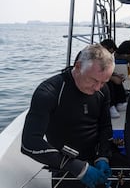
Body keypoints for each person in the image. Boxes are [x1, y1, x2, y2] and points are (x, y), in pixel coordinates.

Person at [21, 44, 115, 188]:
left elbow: (105, 126)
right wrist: (76, 167)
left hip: (97, 160)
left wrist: (103, 156)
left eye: (103, 82)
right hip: (64, 163)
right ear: (78, 66)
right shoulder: (49, 91)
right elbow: (29, 143)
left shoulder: (103, 90)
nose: (97, 88)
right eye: (94, 80)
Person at [100, 39, 128, 118]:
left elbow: (105, 69)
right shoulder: (94, 55)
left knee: (116, 79)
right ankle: (110, 106)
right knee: (109, 82)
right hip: (92, 76)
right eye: (110, 52)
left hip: (101, 74)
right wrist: (112, 78)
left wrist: (116, 75)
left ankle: (120, 102)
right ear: (105, 48)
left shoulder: (103, 56)